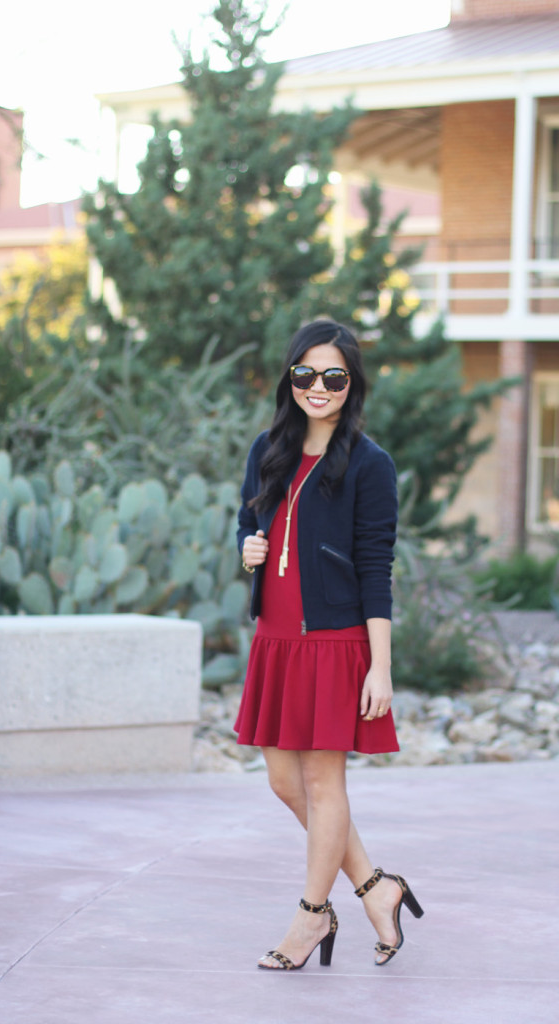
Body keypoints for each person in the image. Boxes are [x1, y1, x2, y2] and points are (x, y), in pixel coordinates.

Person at [235, 319, 423, 972]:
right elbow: (247, 518)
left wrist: (381, 667)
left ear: (351, 384)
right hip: (276, 642)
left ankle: (312, 916)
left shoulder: (369, 465)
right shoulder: (268, 449)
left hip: (334, 644)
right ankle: (378, 888)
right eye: (306, 374)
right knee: (284, 782)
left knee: (322, 779)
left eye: (334, 376)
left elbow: (377, 566)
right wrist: (247, 549)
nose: (319, 387)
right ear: (290, 379)